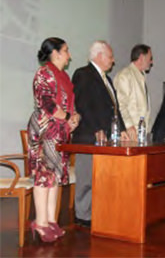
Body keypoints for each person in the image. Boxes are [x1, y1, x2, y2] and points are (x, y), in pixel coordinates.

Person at [27, 37, 80, 242]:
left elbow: (69, 104)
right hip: (44, 130)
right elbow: (47, 104)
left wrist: (73, 119)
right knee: (44, 175)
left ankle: (50, 221)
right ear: (55, 53)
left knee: (55, 176)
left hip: (60, 130)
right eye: (66, 51)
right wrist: (68, 117)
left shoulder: (64, 76)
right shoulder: (43, 74)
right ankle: (39, 223)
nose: (69, 55)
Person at [72, 41, 128, 227]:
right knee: (86, 178)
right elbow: (83, 105)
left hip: (106, 138)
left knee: (102, 177)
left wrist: (122, 130)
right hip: (89, 136)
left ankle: (99, 212)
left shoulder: (107, 79)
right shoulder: (83, 74)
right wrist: (96, 129)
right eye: (110, 56)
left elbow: (114, 109)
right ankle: (82, 215)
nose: (113, 60)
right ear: (99, 55)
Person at [113, 44, 153, 140]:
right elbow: (120, 104)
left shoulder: (141, 77)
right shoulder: (125, 75)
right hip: (129, 134)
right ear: (141, 57)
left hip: (140, 133)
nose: (151, 62)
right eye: (150, 58)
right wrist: (129, 126)